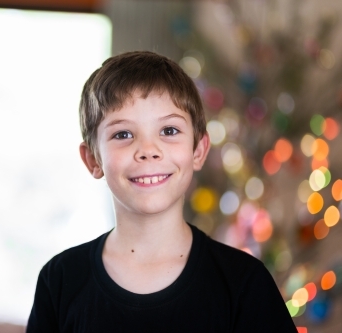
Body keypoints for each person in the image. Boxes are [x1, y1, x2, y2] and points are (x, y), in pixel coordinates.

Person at [26, 51, 297, 332]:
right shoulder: (59, 280)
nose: (148, 150)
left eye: (168, 130)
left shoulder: (244, 283)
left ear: (198, 150)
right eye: (122, 134)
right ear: (93, 160)